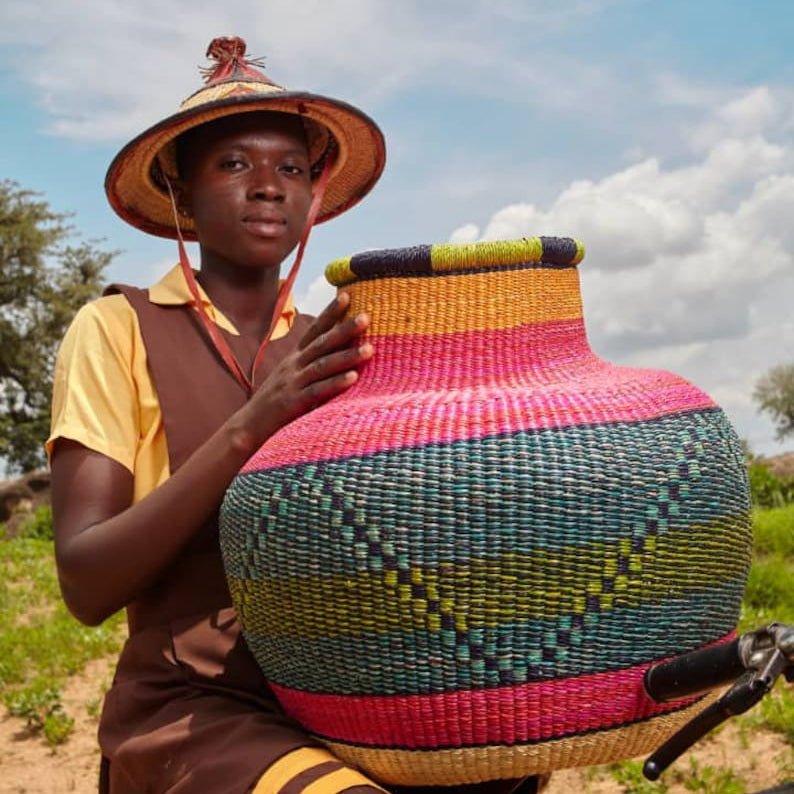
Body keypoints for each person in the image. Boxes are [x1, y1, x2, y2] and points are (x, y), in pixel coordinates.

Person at [48, 36, 539, 794]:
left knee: (511, 760)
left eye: (291, 169)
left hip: (347, 690)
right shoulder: (119, 329)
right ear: (181, 193)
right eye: (233, 164)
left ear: (313, 193)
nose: (268, 187)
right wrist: (253, 424)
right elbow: (85, 583)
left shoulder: (340, 344)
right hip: (194, 708)